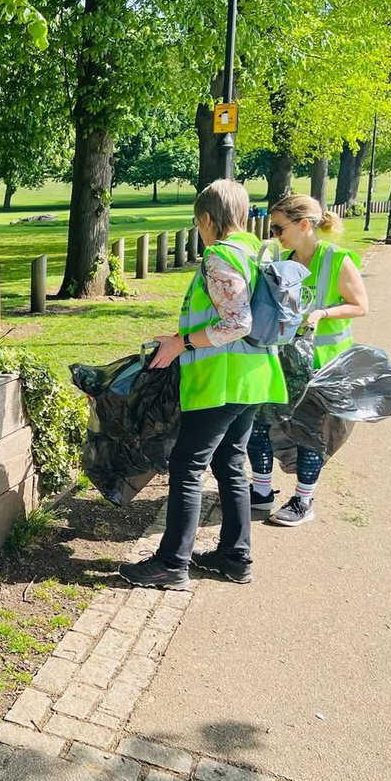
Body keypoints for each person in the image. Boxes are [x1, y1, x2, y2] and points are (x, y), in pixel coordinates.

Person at [119, 179, 287, 589]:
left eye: (199, 223)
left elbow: (237, 322)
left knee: (187, 466)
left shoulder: (220, 256)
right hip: (253, 378)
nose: (200, 230)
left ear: (207, 219)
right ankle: (235, 555)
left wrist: (181, 343)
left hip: (222, 382)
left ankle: (171, 563)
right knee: (229, 461)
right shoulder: (254, 250)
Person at [248, 194, 369, 526]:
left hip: (323, 365)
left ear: (303, 225)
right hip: (283, 362)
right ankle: (260, 492)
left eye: (278, 227)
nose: (274, 234)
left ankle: (303, 500)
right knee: (260, 421)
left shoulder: (336, 260)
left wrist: (322, 312)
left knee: (310, 431)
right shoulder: (284, 261)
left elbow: (360, 305)